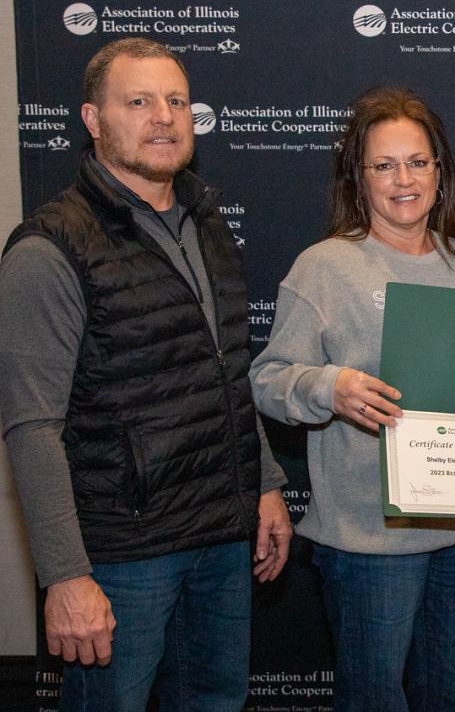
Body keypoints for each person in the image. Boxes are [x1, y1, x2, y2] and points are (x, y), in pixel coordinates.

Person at [0, 37, 292, 710]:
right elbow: (31, 426)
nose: (163, 117)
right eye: (138, 102)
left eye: (176, 100)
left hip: (220, 537)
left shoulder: (208, 223)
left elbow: (226, 371)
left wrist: (267, 484)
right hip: (123, 556)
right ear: (94, 121)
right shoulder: (52, 248)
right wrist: (66, 578)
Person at [250, 87, 455, 711]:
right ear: (359, 180)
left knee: (453, 699)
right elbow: (267, 377)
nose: (403, 179)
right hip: (367, 542)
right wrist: (328, 387)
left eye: (417, 162)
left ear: (440, 173)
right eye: (384, 166)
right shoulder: (325, 267)